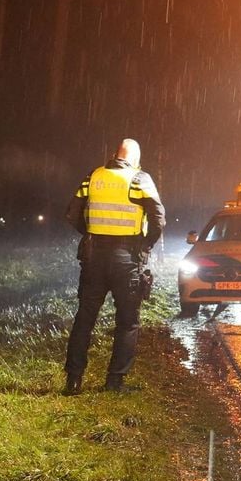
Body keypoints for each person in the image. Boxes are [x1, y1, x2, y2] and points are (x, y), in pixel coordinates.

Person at [63, 138, 165, 394]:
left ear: (115, 155)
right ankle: (114, 381)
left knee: (85, 318)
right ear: (135, 158)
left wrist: (91, 234)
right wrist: (145, 245)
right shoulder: (140, 179)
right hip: (126, 258)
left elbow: (71, 214)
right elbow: (158, 219)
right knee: (128, 321)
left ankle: (74, 380)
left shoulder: (93, 176)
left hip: (94, 256)